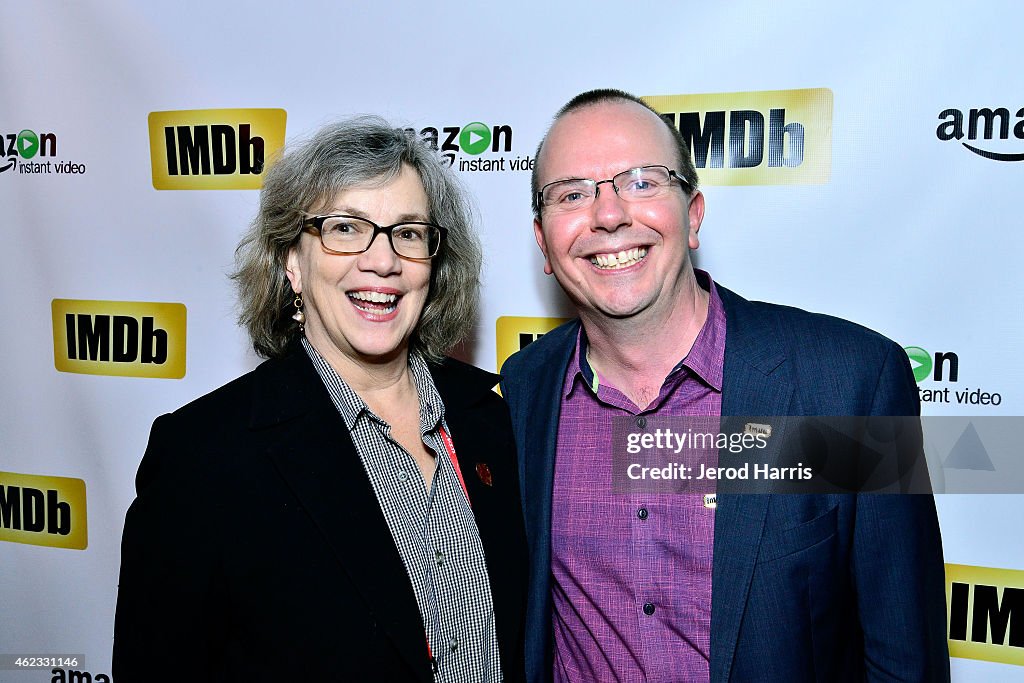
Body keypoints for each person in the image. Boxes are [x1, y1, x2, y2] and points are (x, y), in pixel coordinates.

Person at [500, 89, 948, 682]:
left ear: (694, 215)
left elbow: (905, 660)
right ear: (543, 242)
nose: (608, 215)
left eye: (640, 181)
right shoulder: (525, 390)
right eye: (573, 194)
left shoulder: (844, 386)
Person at [114, 117, 527, 682]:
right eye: (346, 228)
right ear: (292, 262)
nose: (382, 260)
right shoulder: (203, 457)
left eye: (407, 232)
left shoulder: (491, 421)